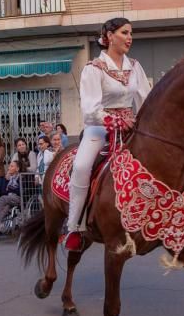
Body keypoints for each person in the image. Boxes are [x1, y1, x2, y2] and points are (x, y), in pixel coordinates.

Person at [64, 17, 151, 252]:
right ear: (110, 36)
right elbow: (90, 109)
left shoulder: (135, 66)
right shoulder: (93, 68)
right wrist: (113, 120)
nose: (129, 37)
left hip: (131, 127)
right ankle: (74, 227)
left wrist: (144, 122)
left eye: (131, 33)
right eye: (124, 33)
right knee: (82, 167)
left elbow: (145, 99)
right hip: (99, 128)